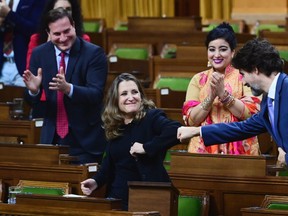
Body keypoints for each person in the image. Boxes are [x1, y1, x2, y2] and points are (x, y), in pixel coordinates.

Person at [177, 38, 287, 166]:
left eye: (243, 74)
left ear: (255, 69)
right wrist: (197, 131)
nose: (244, 82)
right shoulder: (268, 100)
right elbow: (242, 128)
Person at [81, 73, 182, 210]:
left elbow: (175, 130)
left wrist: (146, 147)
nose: (131, 97)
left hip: (147, 199)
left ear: (141, 96)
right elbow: (109, 166)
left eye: (135, 92)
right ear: (116, 100)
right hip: (116, 200)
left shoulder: (151, 117)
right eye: (124, 94)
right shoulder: (115, 126)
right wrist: (95, 181)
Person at [23, 8, 107, 164]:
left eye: (67, 31)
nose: (63, 38)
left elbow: (96, 94)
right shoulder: (39, 54)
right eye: (56, 34)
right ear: (48, 33)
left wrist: (68, 89)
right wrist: (33, 91)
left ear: (74, 25)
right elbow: (30, 101)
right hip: (51, 138)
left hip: (85, 140)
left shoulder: (94, 53)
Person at [182, 22, 261, 155]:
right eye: (212, 49)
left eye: (223, 49)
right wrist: (211, 97)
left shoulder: (244, 76)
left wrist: (223, 95)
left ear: (233, 52)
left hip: (241, 146)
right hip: (204, 148)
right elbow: (190, 120)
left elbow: (252, 113)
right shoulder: (198, 79)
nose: (216, 55)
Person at [25, 0, 90, 119]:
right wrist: (49, 48)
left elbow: (87, 83)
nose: (64, 13)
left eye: (68, 9)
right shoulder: (37, 42)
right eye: (59, 9)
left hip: (75, 104)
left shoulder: (84, 42)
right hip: (45, 103)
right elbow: (31, 78)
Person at [0, 0, 46, 86]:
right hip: (2, 65)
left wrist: (9, 14)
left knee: (21, 98)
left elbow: (36, 31)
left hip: (23, 67)